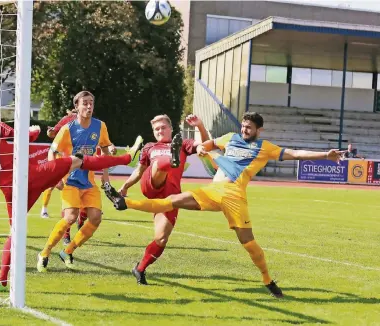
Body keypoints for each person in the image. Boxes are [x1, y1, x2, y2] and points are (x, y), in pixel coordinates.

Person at [105, 112, 345, 298]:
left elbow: (294, 153)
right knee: (172, 201)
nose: (244, 129)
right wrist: (201, 140)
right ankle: (124, 202)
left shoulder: (264, 148)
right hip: (212, 190)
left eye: (249, 127)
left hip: (234, 196)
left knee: (249, 244)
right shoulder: (230, 138)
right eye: (242, 125)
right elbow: (207, 145)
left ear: (258, 130)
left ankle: (267, 280)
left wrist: (325, 155)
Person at [0, 104, 143, 292]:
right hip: (30, 176)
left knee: (13, 233)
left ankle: (1, 280)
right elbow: (25, 137)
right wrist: (33, 130)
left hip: (11, 190)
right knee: (79, 160)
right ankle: (127, 158)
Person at [37, 90, 137, 272]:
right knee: (70, 217)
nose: (89, 106)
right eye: (85, 103)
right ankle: (45, 252)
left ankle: (68, 251)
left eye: (91, 103)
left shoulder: (100, 126)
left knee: (96, 218)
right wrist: (54, 176)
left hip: (89, 182)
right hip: (70, 181)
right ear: (77, 107)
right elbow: (52, 151)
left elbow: (106, 150)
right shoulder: (68, 129)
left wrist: (106, 177)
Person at [118, 114, 209, 284]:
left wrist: (200, 126)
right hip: (151, 185)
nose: (160, 131)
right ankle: (170, 161)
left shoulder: (183, 144)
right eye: (156, 129)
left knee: (161, 239)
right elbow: (139, 171)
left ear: (171, 128)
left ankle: (140, 268)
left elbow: (204, 146)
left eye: (163, 127)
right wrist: (125, 186)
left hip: (171, 196)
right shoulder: (149, 147)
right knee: (160, 164)